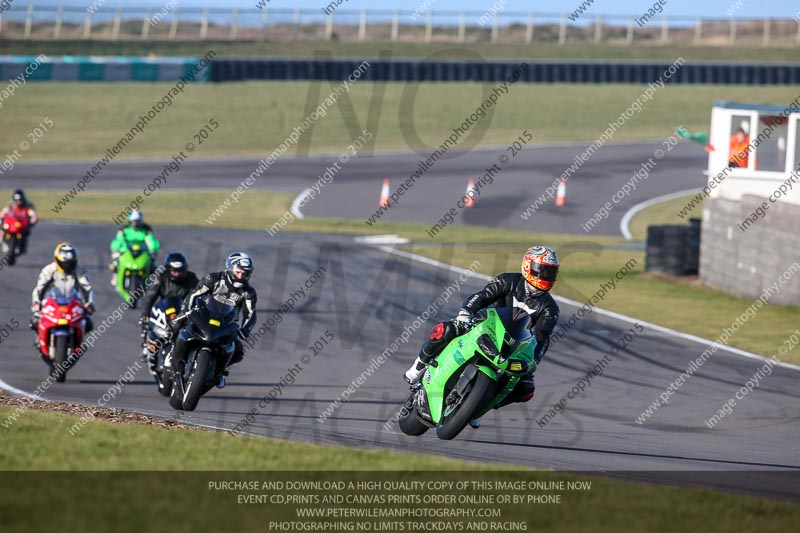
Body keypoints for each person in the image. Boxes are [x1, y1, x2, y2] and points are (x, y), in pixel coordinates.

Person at [403, 245, 560, 428]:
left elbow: (541, 338)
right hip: (484, 324)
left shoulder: (550, 308)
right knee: (446, 329)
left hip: (512, 346)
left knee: (525, 389)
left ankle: (477, 407)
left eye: (550, 272)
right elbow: (481, 296)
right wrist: (466, 313)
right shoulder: (508, 280)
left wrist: (533, 361)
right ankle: (418, 367)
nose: (545, 276)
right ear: (527, 266)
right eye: (542, 270)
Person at [164, 252, 257, 388]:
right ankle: (172, 352)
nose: (240, 276)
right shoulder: (214, 278)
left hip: (226, 324)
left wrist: (245, 330)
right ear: (230, 268)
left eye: (244, 274)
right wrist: (185, 312)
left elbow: (251, 314)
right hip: (202, 315)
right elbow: (194, 294)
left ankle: (218, 372)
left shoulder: (248, 292)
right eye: (238, 272)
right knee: (176, 325)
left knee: (238, 351)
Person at [138, 252, 200, 369]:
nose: (177, 274)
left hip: (183, 311)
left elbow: (199, 295)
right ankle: (147, 345)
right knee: (147, 321)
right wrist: (145, 314)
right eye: (174, 271)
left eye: (180, 271)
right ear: (168, 269)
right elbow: (149, 296)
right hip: (164, 308)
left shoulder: (191, 278)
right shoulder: (160, 277)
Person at [31, 242, 95, 334]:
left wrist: (89, 305)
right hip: (52, 302)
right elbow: (39, 288)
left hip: (72, 303)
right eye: (65, 262)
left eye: (70, 262)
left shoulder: (79, 270)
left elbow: (87, 287)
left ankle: (78, 343)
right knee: (35, 322)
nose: (67, 265)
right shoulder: (49, 270)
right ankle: (41, 340)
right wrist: (37, 304)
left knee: (88, 324)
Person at [109, 209, 160, 286]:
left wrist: (152, 250)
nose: (136, 224)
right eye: (134, 221)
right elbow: (118, 240)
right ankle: (116, 274)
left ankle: (154, 277)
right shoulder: (124, 229)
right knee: (116, 260)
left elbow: (151, 240)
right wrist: (116, 249)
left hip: (142, 251)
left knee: (151, 262)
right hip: (126, 251)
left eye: (138, 221)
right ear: (130, 221)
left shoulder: (146, 229)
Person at [0, 189, 38, 256]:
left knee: (26, 232)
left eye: (20, 200)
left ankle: (23, 246)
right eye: (17, 200)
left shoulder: (28, 205)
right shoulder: (11, 204)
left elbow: (33, 215)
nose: (19, 202)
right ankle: (1, 240)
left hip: (22, 224)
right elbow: (4, 212)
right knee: (2, 229)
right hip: (11, 224)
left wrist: (32, 222)